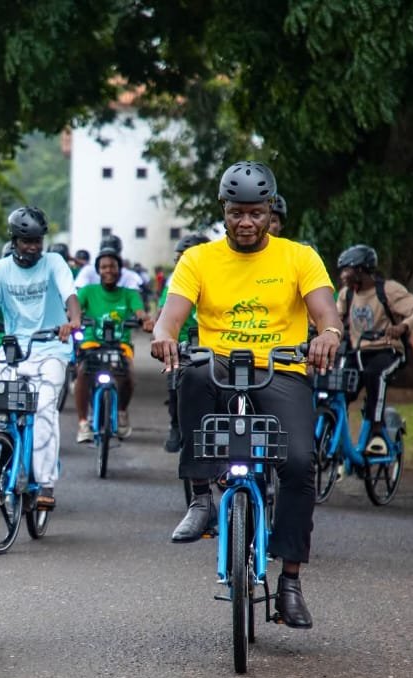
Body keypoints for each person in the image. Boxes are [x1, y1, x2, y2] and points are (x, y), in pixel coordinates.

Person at [151, 161, 341, 630]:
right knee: (190, 377)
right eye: (237, 213)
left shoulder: (299, 257)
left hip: (281, 369)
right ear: (224, 211)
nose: (247, 223)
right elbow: (172, 316)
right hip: (219, 365)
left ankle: (290, 582)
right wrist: (163, 335)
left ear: (269, 210)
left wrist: (329, 334)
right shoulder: (198, 259)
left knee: (298, 463)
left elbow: (325, 311)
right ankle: (200, 498)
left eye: (256, 213)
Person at [0, 205, 82, 510]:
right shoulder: (0, 271)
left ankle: (46, 482)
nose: (34, 247)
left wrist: (73, 320)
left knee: (44, 409)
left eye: (38, 240)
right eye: (27, 241)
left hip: (51, 347)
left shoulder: (54, 263)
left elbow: (70, 296)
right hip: (14, 349)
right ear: (14, 240)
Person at [335, 244, 413, 455]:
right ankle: (334, 435)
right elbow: (336, 319)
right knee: (339, 387)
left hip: (387, 351)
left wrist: (403, 326)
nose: (343, 275)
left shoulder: (387, 290)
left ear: (361, 270)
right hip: (357, 352)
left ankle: (377, 429)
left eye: (347, 270)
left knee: (375, 374)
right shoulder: (346, 295)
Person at [146, 233, 211, 452]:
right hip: (182, 341)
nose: (182, 263)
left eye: (188, 256)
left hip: (213, 343)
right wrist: (161, 334)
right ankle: (176, 425)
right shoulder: (177, 278)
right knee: (176, 384)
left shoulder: (217, 275)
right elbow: (165, 310)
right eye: (179, 259)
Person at [75, 245, 146, 442]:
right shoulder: (88, 291)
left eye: (113, 266)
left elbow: (139, 311)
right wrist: (74, 319)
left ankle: (122, 411)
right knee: (83, 373)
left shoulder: (129, 294)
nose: (109, 271)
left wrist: (144, 319)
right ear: (98, 271)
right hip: (92, 343)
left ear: (119, 269)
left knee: (128, 376)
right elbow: (75, 310)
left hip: (120, 345)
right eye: (104, 267)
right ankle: (83, 423)